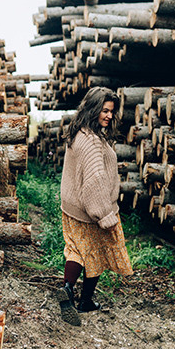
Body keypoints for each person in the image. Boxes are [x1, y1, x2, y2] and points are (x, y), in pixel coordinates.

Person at [57, 86, 132, 325]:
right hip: (91, 210)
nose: (109, 116)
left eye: (111, 111)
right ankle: (84, 299)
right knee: (96, 253)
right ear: (93, 109)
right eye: (105, 110)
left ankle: (69, 290)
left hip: (72, 206)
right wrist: (104, 215)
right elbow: (95, 181)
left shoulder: (80, 132)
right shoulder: (92, 143)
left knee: (77, 251)